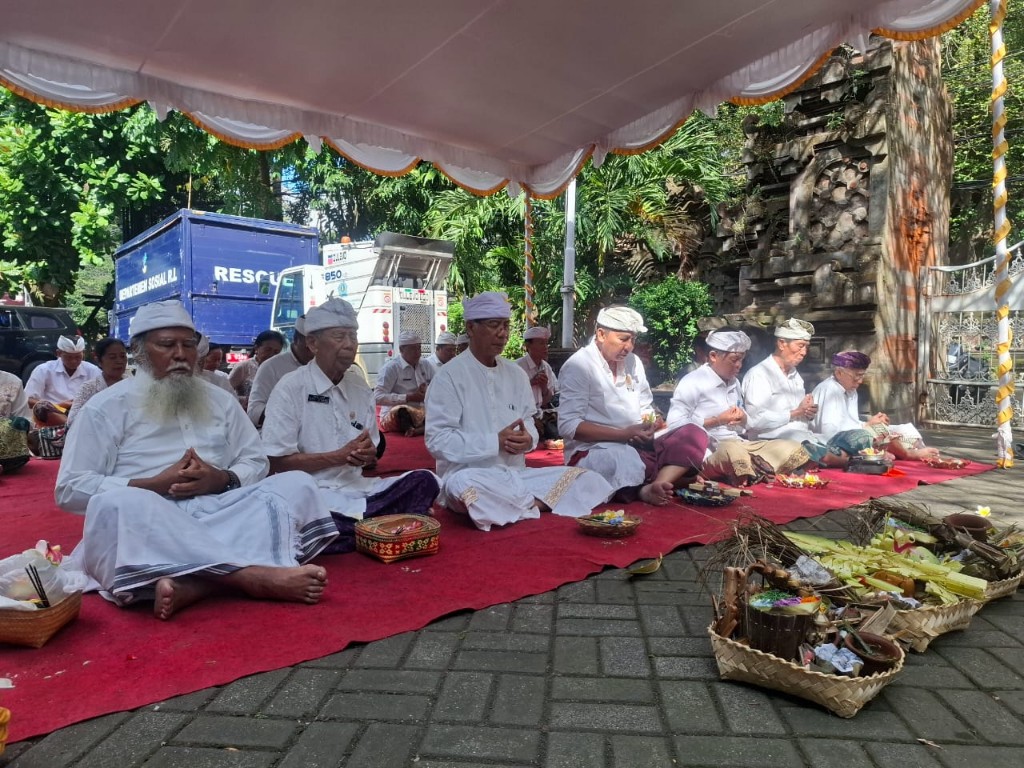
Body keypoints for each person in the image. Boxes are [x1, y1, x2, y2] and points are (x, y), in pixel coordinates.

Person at [55, 300, 338, 620]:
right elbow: (69, 488)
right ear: (140, 351)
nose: (181, 354)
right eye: (167, 345)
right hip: (150, 519)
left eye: (188, 344)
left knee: (297, 483)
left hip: (220, 508)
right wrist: (152, 485)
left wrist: (223, 478)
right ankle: (250, 578)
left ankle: (199, 583)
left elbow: (256, 459)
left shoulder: (220, 400)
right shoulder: (105, 407)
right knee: (117, 503)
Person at [261, 298, 439, 551]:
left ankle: (350, 531)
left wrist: (366, 455)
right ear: (313, 343)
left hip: (359, 490)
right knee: (292, 505)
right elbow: (277, 461)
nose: (349, 344)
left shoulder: (358, 387)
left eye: (353, 336)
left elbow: (370, 455)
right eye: (339, 336)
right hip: (311, 494)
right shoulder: (290, 387)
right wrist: (338, 457)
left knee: (426, 480)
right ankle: (372, 527)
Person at [425, 292, 613, 531]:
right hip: (470, 475)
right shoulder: (448, 377)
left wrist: (528, 439)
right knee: (466, 488)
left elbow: (529, 423)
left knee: (588, 478)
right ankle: (537, 502)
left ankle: (517, 506)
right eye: (494, 325)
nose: (502, 333)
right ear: (470, 328)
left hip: (517, 476)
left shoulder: (515, 375)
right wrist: (494, 441)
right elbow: (438, 441)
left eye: (506, 325)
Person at [558, 306, 709, 505]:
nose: (629, 346)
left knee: (694, 433)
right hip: (596, 450)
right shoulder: (578, 366)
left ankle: (656, 484)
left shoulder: (634, 362)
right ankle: (663, 480)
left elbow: (646, 407)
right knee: (618, 458)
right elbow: (568, 426)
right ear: (601, 335)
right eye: (623, 339)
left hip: (638, 444)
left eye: (633, 339)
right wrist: (623, 434)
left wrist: (651, 424)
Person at [669, 329, 810, 486]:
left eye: (741, 360)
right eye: (734, 360)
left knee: (793, 447)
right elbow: (675, 424)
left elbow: (748, 427)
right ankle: (751, 468)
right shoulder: (693, 381)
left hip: (740, 444)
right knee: (732, 451)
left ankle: (748, 469)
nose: (738, 366)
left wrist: (742, 419)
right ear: (713, 356)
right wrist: (717, 420)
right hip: (710, 449)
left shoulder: (735, 383)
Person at [811, 351, 940, 461]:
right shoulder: (829, 390)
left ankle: (911, 449)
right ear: (839, 373)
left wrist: (870, 422)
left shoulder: (851, 390)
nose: (860, 381)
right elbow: (830, 432)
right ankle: (909, 454)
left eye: (862, 376)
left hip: (851, 436)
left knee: (901, 430)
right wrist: (868, 426)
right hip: (831, 442)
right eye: (856, 376)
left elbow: (850, 422)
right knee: (880, 431)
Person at [247, 317, 315, 427]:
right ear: (296, 339)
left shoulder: (326, 366)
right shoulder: (271, 367)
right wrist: (290, 410)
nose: (313, 350)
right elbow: (254, 413)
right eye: (308, 345)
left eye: (318, 345)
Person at [25, 335, 101, 426]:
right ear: (58, 353)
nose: (73, 361)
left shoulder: (93, 370)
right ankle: (72, 427)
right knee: (42, 408)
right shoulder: (44, 370)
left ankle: (72, 426)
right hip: (53, 413)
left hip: (83, 414)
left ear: (83, 354)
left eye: (77, 357)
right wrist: (58, 406)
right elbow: (29, 400)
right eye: (69, 357)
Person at [374, 330, 433, 436]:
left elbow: (436, 388)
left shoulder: (425, 364)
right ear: (401, 349)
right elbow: (377, 397)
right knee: (401, 410)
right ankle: (415, 428)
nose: (418, 353)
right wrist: (408, 397)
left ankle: (418, 429)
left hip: (422, 412)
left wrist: (427, 391)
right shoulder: (391, 368)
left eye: (419, 348)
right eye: (413, 349)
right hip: (399, 414)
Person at [66, 338, 130, 427]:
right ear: (99, 361)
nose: (119, 361)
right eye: (112, 357)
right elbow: (72, 420)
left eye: (123, 356)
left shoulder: (134, 384)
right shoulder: (88, 388)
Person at [515, 326, 560, 443]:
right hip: (522, 416)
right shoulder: (517, 367)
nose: (545, 348)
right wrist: (530, 383)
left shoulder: (546, 367)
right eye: (541, 343)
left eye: (546, 343)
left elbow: (546, 400)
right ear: (528, 346)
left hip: (540, 414)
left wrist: (544, 386)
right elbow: (510, 398)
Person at [229, 330, 285, 408]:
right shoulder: (243, 367)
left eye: (276, 352)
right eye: (268, 350)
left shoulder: (280, 370)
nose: (272, 355)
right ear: (256, 348)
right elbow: (225, 393)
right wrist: (244, 400)